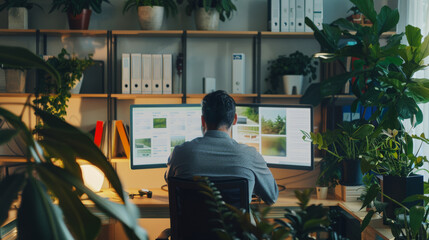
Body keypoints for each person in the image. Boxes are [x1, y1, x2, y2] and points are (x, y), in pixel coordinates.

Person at [165, 90, 278, 205]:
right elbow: (271, 196)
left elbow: (170, 182)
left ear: (203, 120)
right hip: (234, 223)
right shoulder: (250, 156)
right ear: (235, 119)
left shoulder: (180, 153)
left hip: (190, 223)